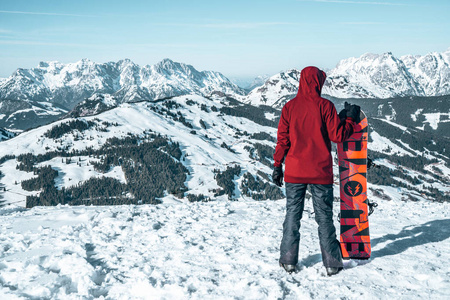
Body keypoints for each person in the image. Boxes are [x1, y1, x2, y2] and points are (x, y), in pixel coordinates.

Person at [272, 66, 360, 276]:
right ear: (318, 82)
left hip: (294, 172)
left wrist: (277, 166)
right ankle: (331, 263)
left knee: (292, 214)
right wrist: (349, 120)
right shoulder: (325, 106)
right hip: (320, 173)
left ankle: (288, 261)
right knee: (324, 217)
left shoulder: (289, 107)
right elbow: (338, 136)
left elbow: (283, 140)